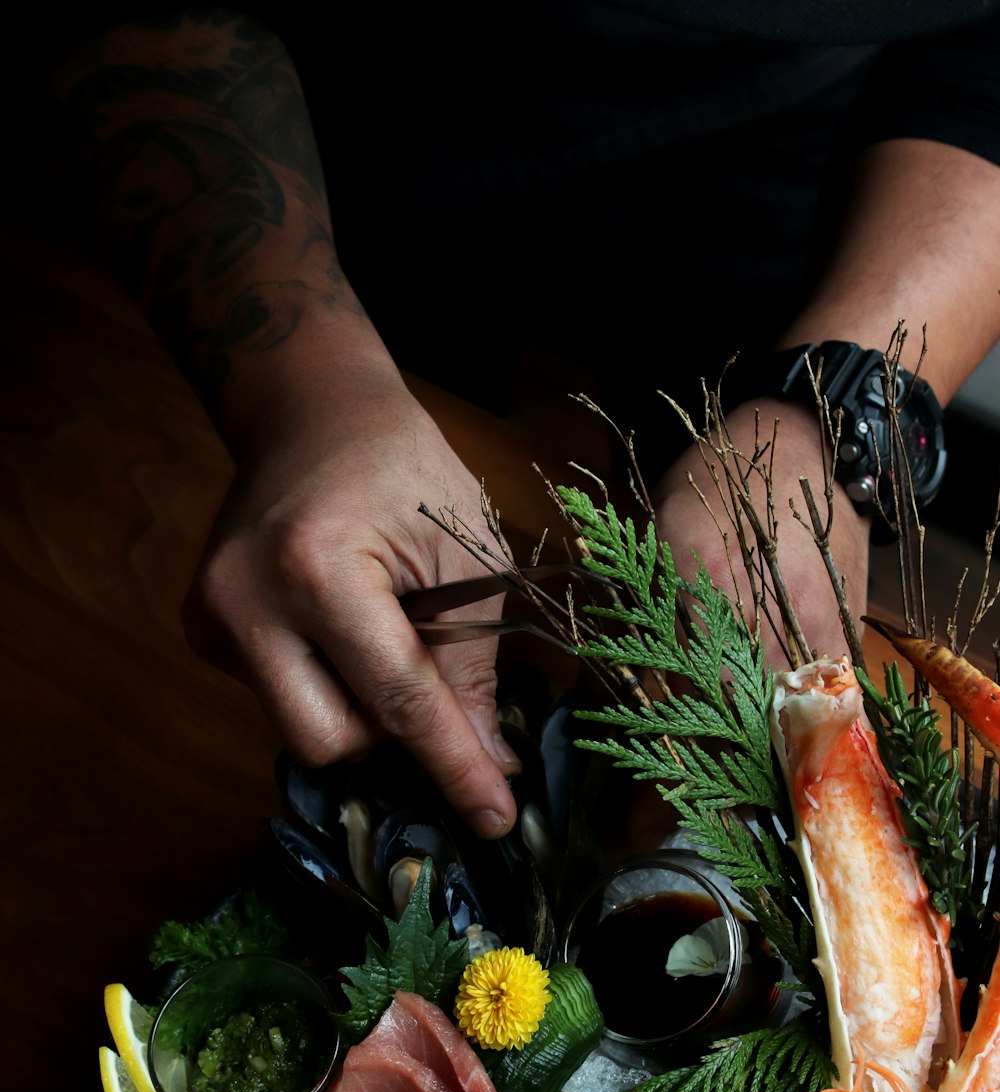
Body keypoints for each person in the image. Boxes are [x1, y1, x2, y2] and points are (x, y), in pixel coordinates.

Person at [25, 3, 1000, 838]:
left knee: (724, 654)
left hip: (808, 149)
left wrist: (832, 409)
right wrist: (301, 386)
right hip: (317, 107)